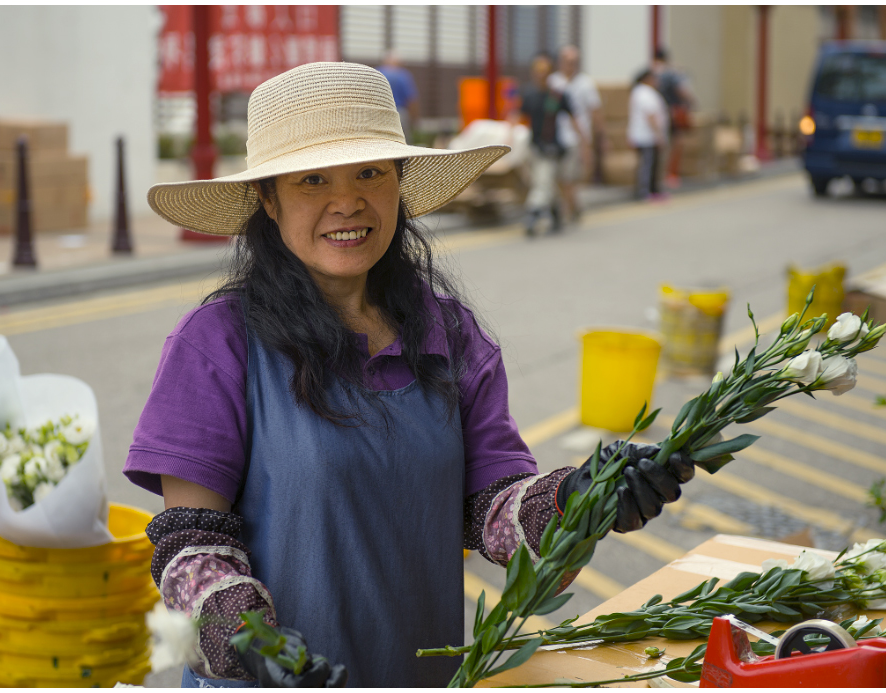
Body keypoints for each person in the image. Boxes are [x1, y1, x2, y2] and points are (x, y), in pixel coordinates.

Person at [126, 61, 695, 688]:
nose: (348, 202)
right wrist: (247, 635)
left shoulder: (446, 334)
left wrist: (583, 496)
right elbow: (190, 547)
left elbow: (491, 511)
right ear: (268, 198)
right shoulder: (216, 345)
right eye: (313, 179)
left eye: (371, 172)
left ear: (399, 183)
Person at [515, 53, 588, 236]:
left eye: (544, 70)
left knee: (543, 182)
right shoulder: (529, 94)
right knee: (546, 183)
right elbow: (517, 116)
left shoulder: (557, 95)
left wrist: (585, 143)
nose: (540, 74)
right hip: (534, 147)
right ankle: (556, 213)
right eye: (537, 70)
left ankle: (532, 214)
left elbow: (573, 118)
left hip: (551, 148)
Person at [547, 45, 603, 224]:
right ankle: (573, 206)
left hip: (575, 138)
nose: (570, 65)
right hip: (554, 138)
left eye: (574, 62)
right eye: (567, 61)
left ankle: (570, 209)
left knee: (569, 178)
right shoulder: (552, 82)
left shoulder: (586, 83)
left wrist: (594, 140)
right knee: (556, 178)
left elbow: (595, 112)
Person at [652, 48, 694, 189]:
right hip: (673, 112)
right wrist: (692, 102)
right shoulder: (672, 74)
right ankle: (671, 174)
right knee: (677, 143)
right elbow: (682, 91)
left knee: (660, 143)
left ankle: (660, 174)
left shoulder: (651, 73)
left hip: (656, 113)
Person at [627, 68, 669, 201]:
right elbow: (650, 116)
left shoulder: (640, 92)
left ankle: (652, 189)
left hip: (644, 135)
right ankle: (644, 191)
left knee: (650, 164)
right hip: (647, 136)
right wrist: (659, 135)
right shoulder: (645, 93)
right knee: (647, 165)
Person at [376, 50, 420, 145]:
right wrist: (414, 120)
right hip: (399, 114)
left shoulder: (377, 73)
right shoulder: (403, 75)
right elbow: (411, 99)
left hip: (378, 113)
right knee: (403, 144)